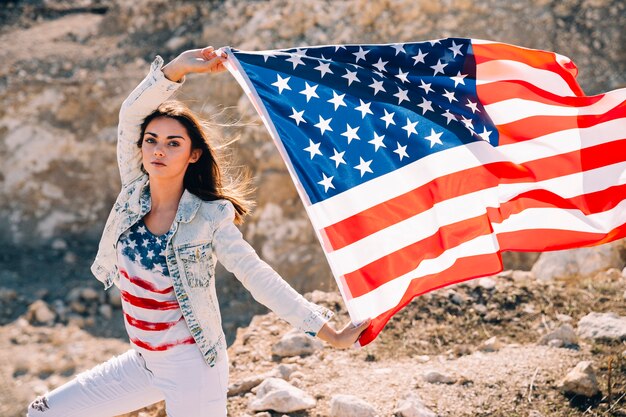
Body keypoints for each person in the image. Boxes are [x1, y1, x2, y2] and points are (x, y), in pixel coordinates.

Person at [26, 46, 371, 417]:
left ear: (193, 155)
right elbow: (131, 116)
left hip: (194, 368)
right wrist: (175, 69)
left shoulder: (210, 217)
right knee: (43, 411)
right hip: (143, 362)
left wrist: (328, 333)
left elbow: (257, 276)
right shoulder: (133, 192)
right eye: (152, 140)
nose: (159, 150)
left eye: (174, 143)